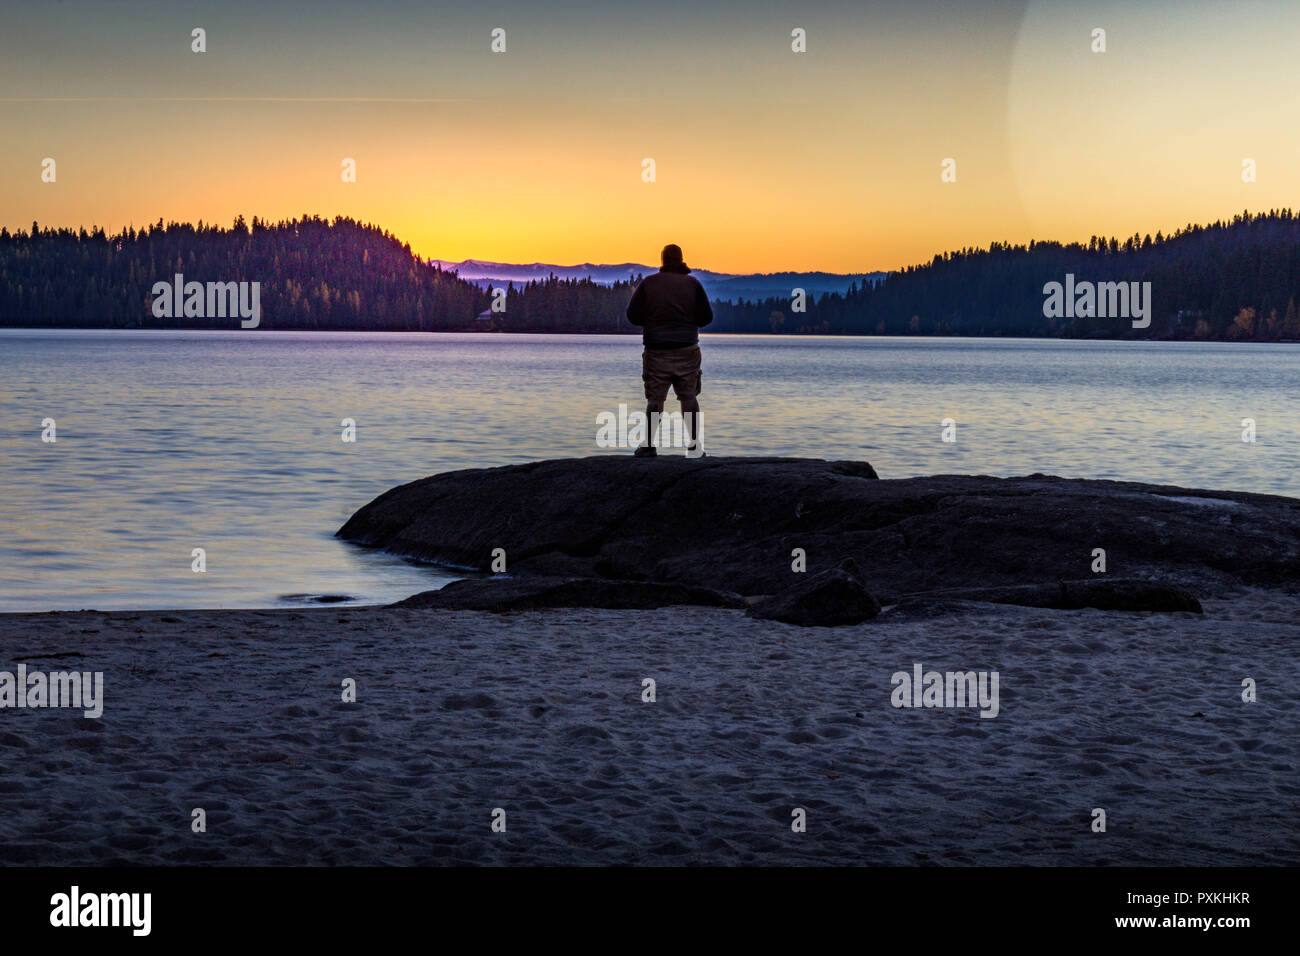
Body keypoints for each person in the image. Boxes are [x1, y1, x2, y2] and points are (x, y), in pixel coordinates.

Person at [625, 243, 713, 457]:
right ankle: (694, 446)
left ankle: (648, 445)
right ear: (681, 259)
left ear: (662, 260)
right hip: (687, 350)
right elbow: (706, 318)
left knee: (655, 400)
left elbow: (632, 316)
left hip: (656, 350)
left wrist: (653, 318)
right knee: (689, 398)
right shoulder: (693, 284)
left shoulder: (649, 284)